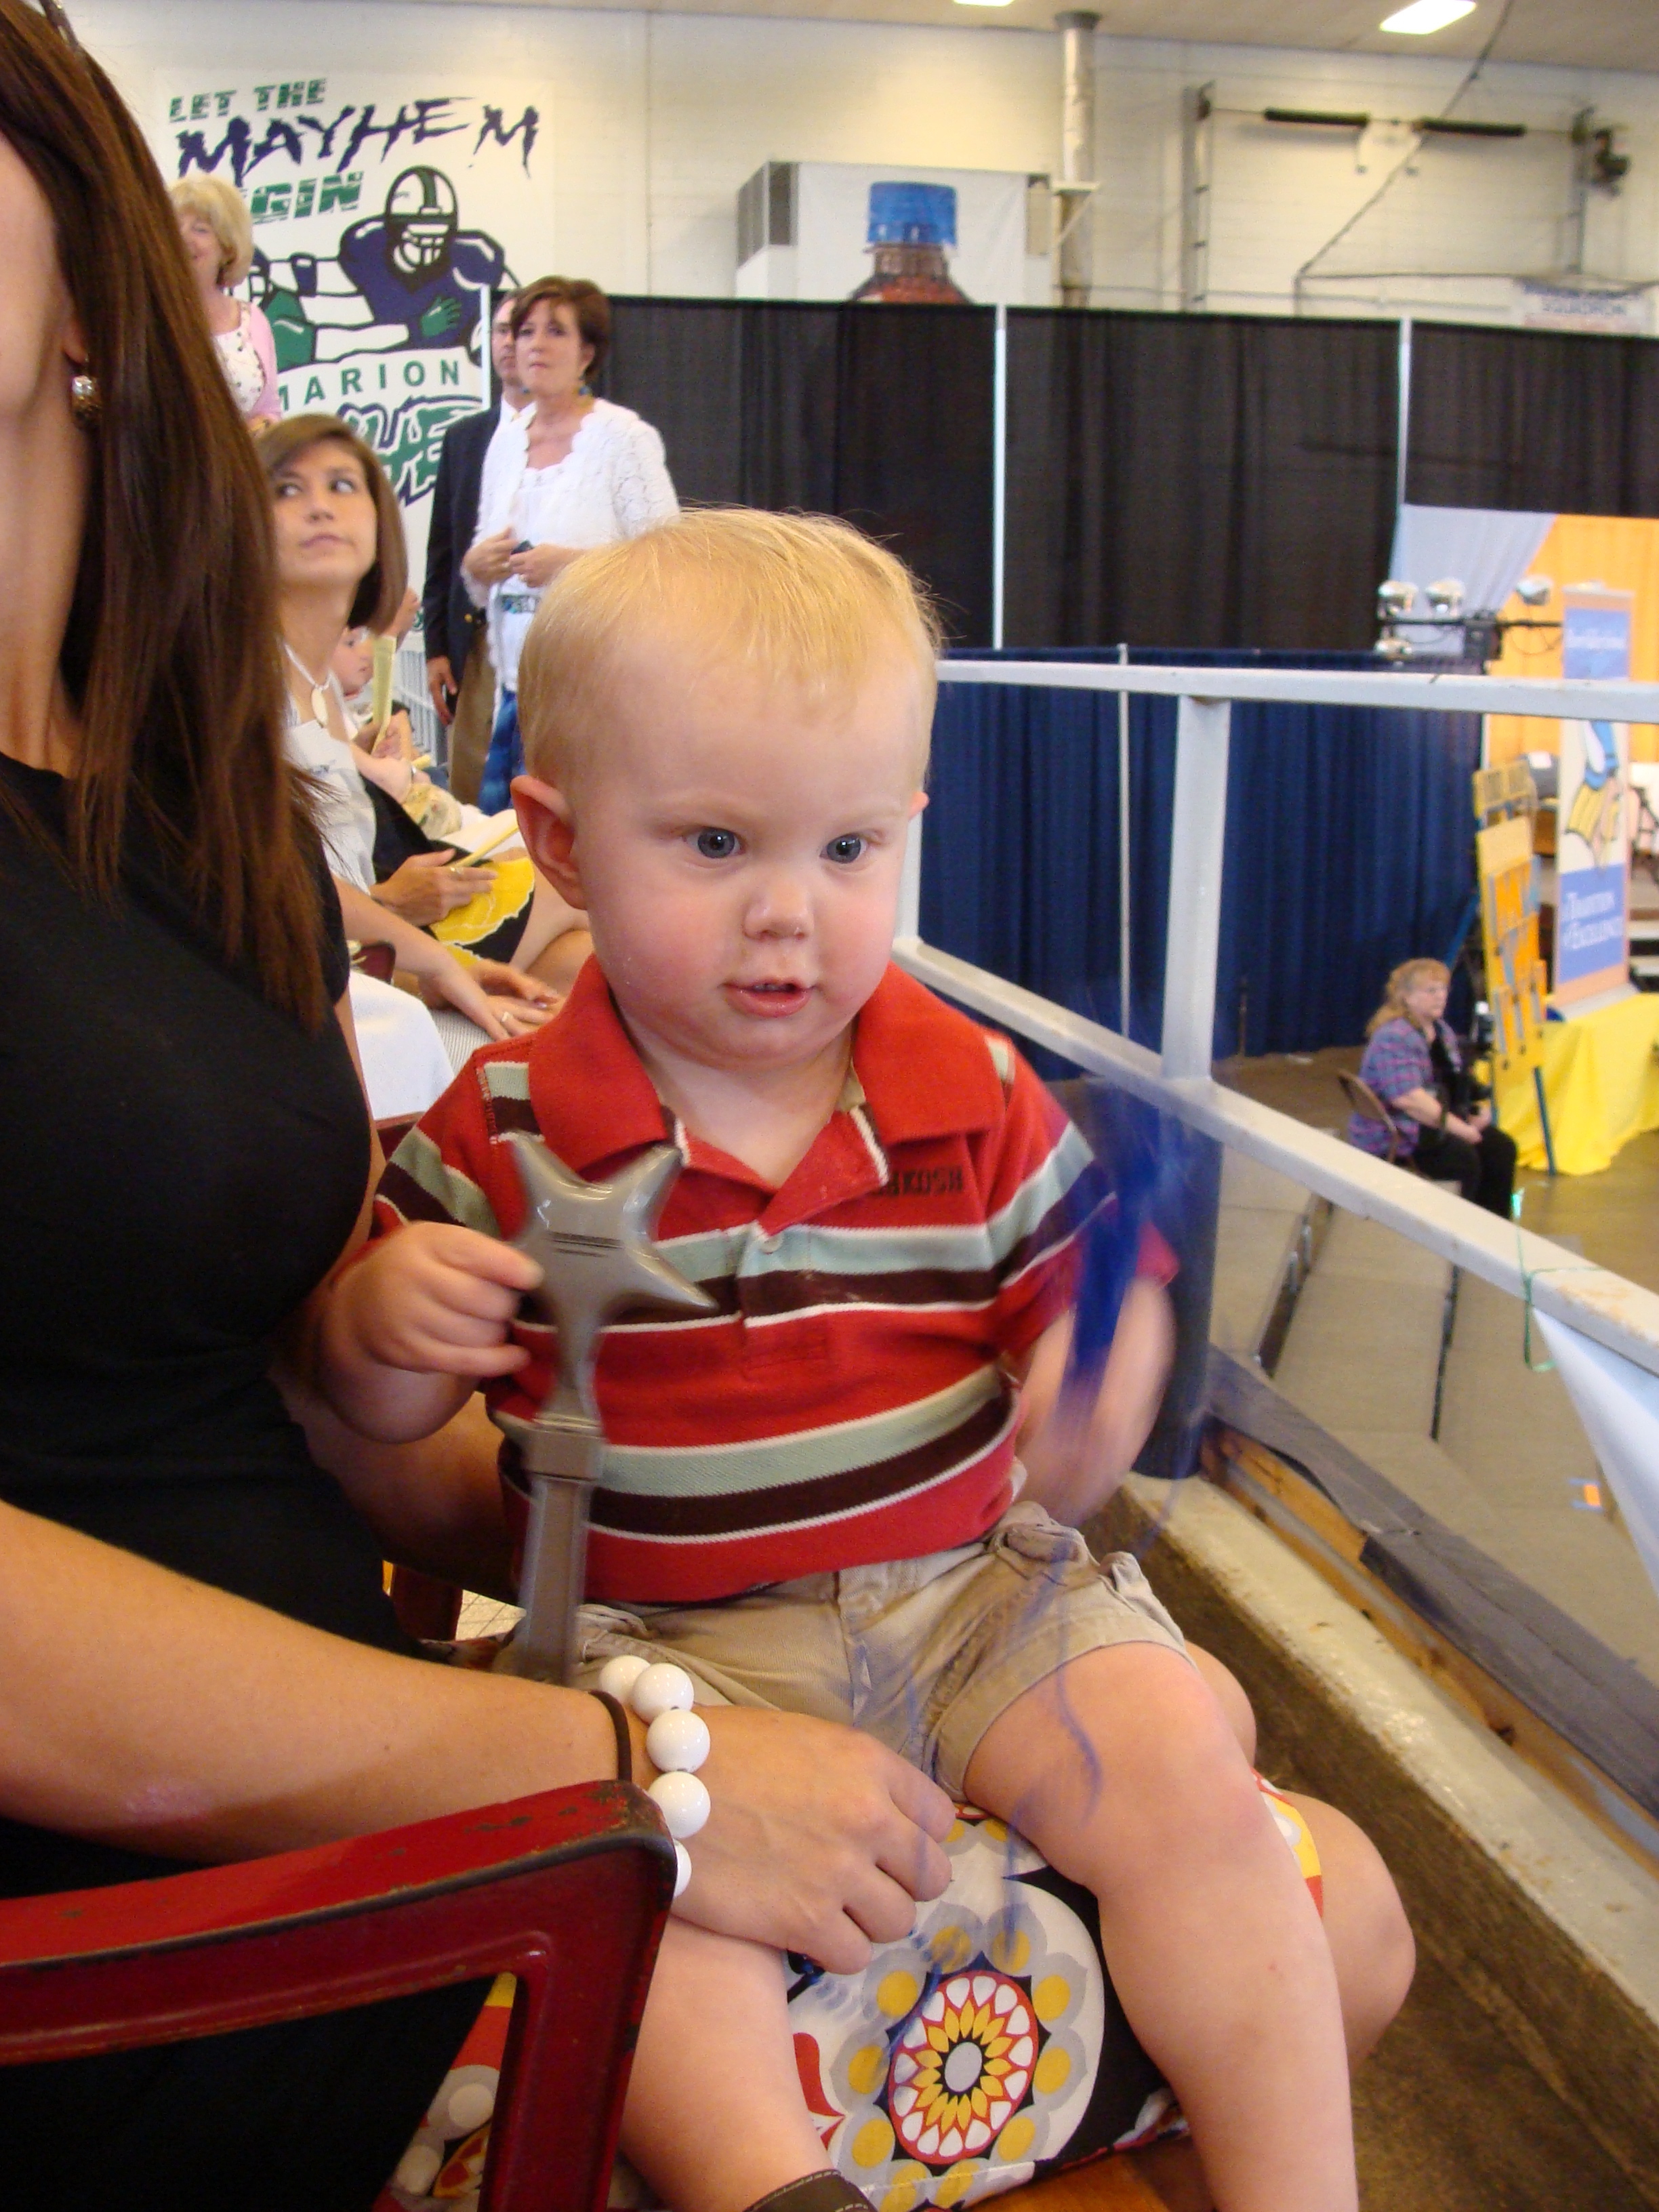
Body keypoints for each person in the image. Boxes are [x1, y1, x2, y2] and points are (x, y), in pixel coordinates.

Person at [0, 18, 957, 2205]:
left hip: (405, 1860)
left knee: (1261, 1873)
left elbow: (293, 1400)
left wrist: (796, 1524)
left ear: (85, 279)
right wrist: (627, 1763)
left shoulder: (193, 811)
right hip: (147, 1986)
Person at [325, 512, 1415, 2212]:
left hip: (969, 1597)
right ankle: (776, 2184)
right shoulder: (504, 1124)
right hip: (666, 1654)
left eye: (848, 847)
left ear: (908, 825)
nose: (790, 914)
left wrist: (1098, 1382)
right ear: (558, 842)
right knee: (648, 1913)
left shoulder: (972, 1093)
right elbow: (378, 1415)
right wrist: (384, 1327)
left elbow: (1079, 1351)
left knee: (1190, 1783)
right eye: (714, 842)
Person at [262, 412, 590, 1025]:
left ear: (378, 521)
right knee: (588, 886)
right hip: (321, 960)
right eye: (288, 489)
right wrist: (421, 955)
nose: (319, 507)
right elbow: (275, 895)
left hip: (364, 946)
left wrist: (429, 967)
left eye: (341, 485)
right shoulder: (244, 682)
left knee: (582, 963)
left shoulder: (317, 682)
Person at [465, 275, 678, 813]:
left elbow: (670, 562)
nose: (535, 345)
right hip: (516, 688)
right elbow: (478, 570)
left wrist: (572, 567)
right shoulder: (505, 442)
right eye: (526, 331)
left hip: (596, 689)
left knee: (579, 838)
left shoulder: (623, 438)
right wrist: (478, 563)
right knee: (507, 840)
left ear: (587, 353)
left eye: (556, 331)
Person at [424, 291, 529, 804]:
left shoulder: (589, 438)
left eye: (523, 331)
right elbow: (442, 550)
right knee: (470, 783)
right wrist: (436, 649)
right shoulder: (465, 438)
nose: (511, 343)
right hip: (479, 637)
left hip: (552, 638)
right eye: (502, 331)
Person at [1349, 958, 1517, 1216]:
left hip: (1431, 1121)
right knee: (1463, 1160)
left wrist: (1474, 1111)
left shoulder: (1441, 1031)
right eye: (1431, 991)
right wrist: (1462, 1128)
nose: (1441, 996)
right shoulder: (1395, 1036)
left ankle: (1492, 1228)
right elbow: (1409, 1100)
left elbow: (1452, 1082)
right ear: (1406, 997)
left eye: (1443, 989)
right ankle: (1457, 1230)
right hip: (1399, 1130)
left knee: (1501, 1149)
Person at [169, 173, 279, 422]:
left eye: (200, 229)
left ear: (228, 248)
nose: (183, 238)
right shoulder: (147, 318)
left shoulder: (252, 320)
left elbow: (269, 411)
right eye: (174, 226)